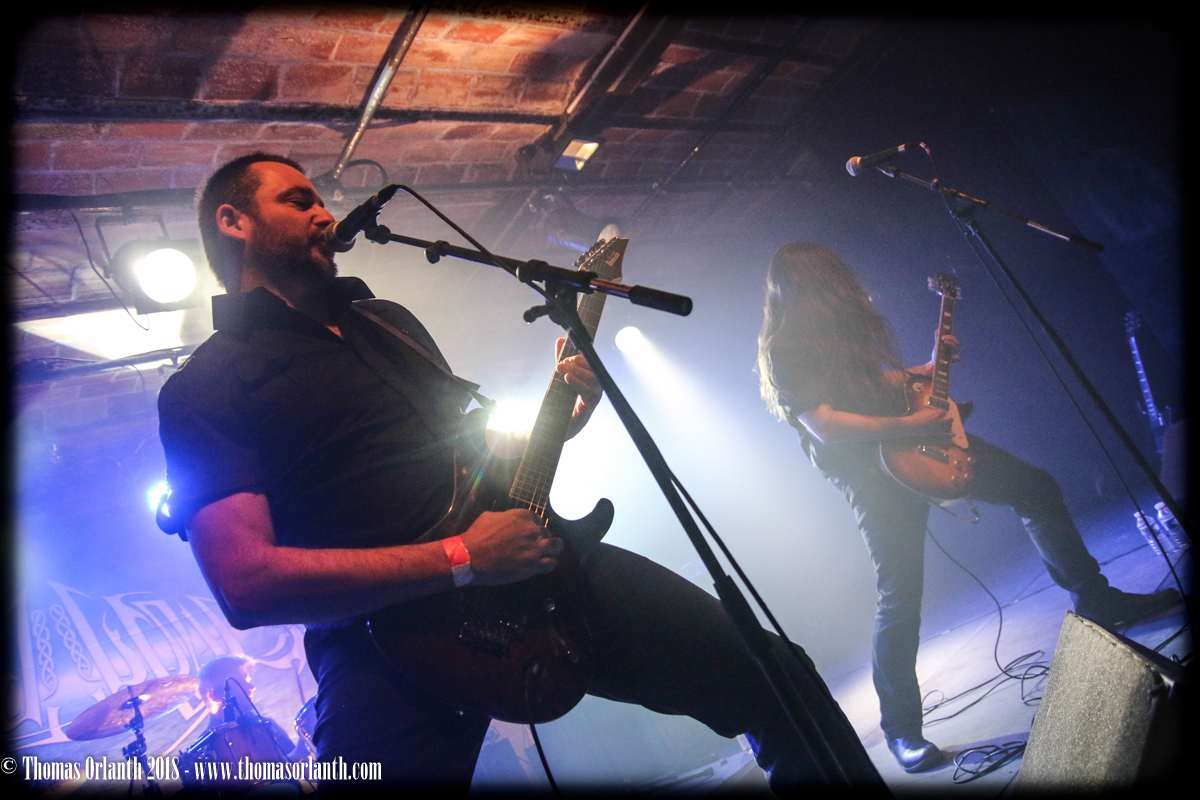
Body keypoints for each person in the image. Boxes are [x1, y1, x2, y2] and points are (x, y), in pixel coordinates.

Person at [157, 154, 884, 793]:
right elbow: (245, 583)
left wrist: (560, 421)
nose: (324, 213)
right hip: (387, 637)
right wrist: (463, 559)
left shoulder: (388, 322)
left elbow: (474, 465)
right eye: (298, 200)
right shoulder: (206, 388)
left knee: (775, 677)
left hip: (544, 574)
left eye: (321, 199)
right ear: (234, 221)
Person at [754, 241, 1181, 773]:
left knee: (1035, 488)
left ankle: (1096, 599)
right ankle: (901, 730)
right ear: (810, 284)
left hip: (922, 442)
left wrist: (926, 369)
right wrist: (910, 423)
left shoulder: (840, 330)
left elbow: (866, 384)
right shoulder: (785, 347)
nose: (846, 285)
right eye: (832, 278)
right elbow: (826, 423)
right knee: (900, 596)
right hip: (873, 477)